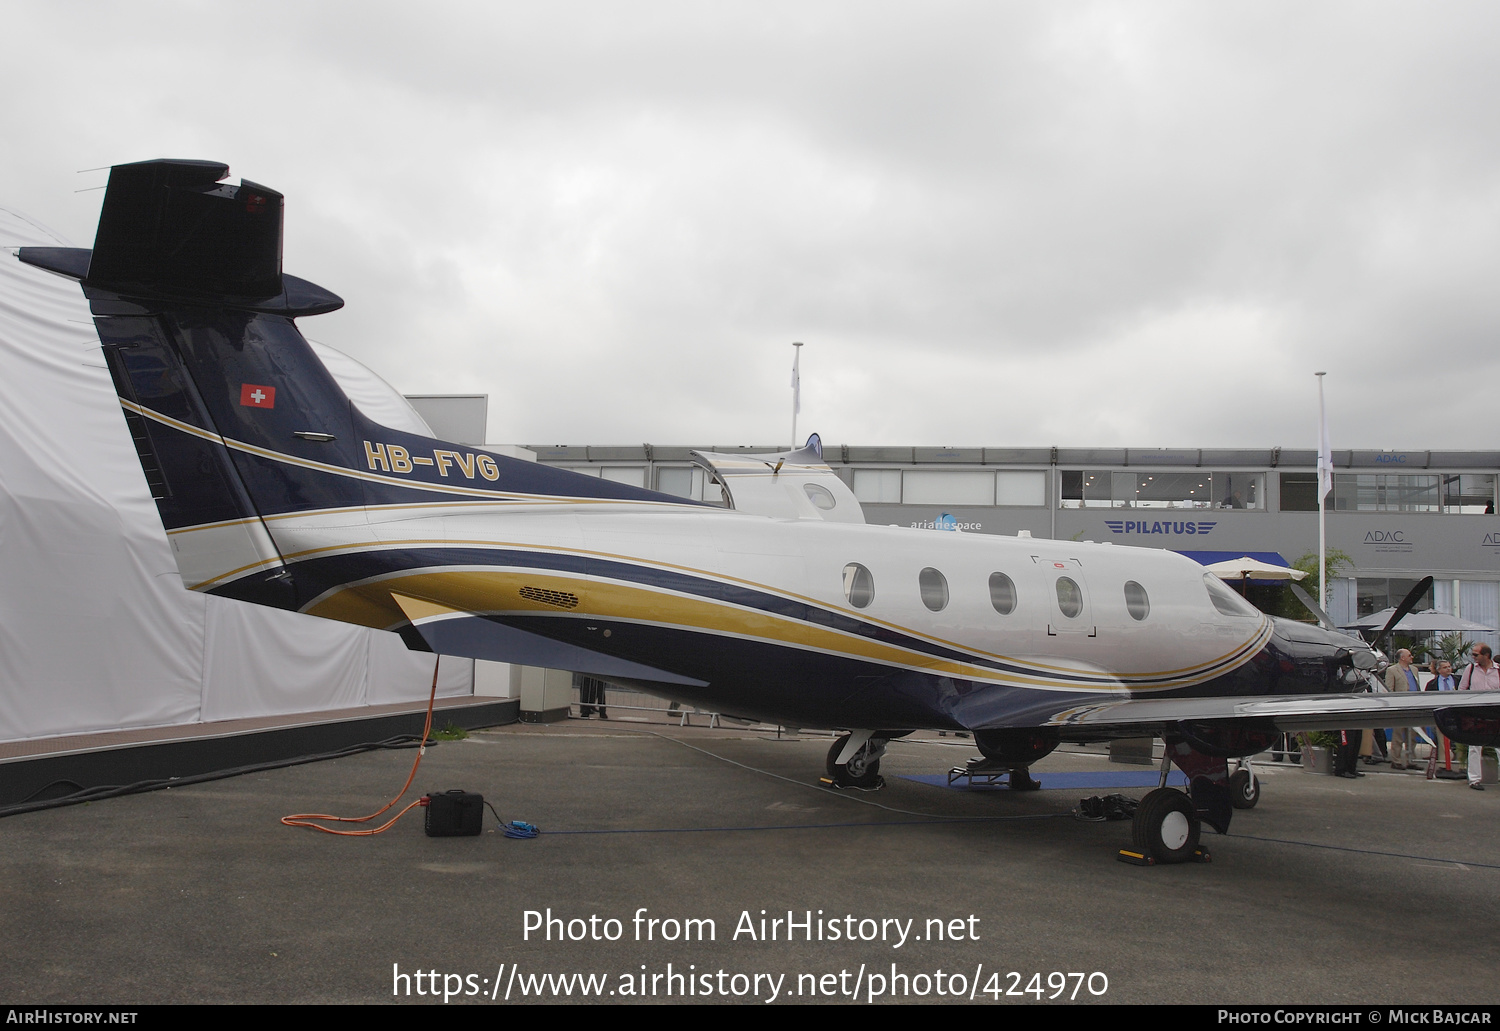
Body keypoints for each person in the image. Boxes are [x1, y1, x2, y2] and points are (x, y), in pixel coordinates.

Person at [1457, 644, 1499, 790]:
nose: (1473, 658)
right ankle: (1474, 779)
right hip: (1475, 712)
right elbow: (1462, 689)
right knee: (1474, 747)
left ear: (1486, 655)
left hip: (1495, 713)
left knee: (1499, 746)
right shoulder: (1471, 669)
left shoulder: (1498, 670)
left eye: (1476, 655)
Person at [1383, 649, 1419, 769]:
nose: (1411, 657)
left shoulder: (1414, 670)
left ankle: (1410, 759)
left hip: (1414, 706)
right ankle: (1396, 760)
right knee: (1398, 735)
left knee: (1412, 735)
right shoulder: (1392, 670)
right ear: (1402, 657)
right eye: (1409, 655)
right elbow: (1389, 689)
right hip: (1400, 706)